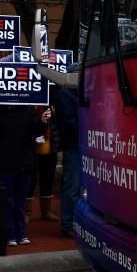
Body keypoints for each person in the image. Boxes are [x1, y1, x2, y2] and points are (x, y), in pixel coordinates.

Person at [0, 103, 50, 246]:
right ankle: (10, 234)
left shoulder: (27, 109)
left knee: (20, 200)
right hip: (4, 161)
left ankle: (21, 233)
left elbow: (36, 132)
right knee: (8, 200)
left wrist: (42, 121)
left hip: (24, 161)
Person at [52, 79, 79, 238]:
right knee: (72, 186)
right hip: (72, 146)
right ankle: (68, 225)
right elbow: (68, 121)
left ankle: (76, 223)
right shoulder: (64, 94)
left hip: (81, 144)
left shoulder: (79, 92)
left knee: (77, 186)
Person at [30, 105, 59, 223]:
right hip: (32, 149)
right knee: (30, 181)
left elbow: (56, 127)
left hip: (50, 148)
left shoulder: (52, 107)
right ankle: (27, 212)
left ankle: (46, 212)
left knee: (48, 179)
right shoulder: (29, 107)